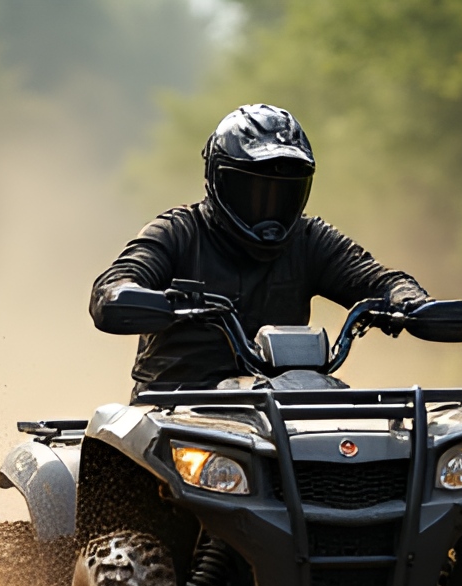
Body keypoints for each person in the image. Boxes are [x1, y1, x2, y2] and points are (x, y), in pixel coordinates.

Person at [91, 103, 430, 399]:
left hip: (281, 411)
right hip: (175, 412)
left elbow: (381, 280)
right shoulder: (178, 232)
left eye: (283, 195)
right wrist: (129, 295)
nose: (269, 210)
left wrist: (409, 299)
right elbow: (116, 283)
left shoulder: (309, 239)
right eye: (253, 192)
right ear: (217, 181)